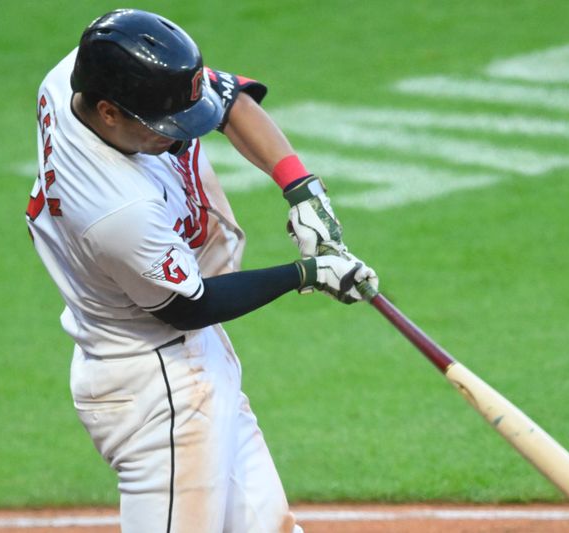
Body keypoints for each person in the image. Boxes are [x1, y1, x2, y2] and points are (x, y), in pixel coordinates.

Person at [25, 8, 378, 533]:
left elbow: (228, 100)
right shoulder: (114, 208)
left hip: (190, 367)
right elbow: (192, 306)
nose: (179, 138)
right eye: (163, 129)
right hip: (157, 389)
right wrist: (306, 273)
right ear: (108, 113)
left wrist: (301, 188)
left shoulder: (82, 72)